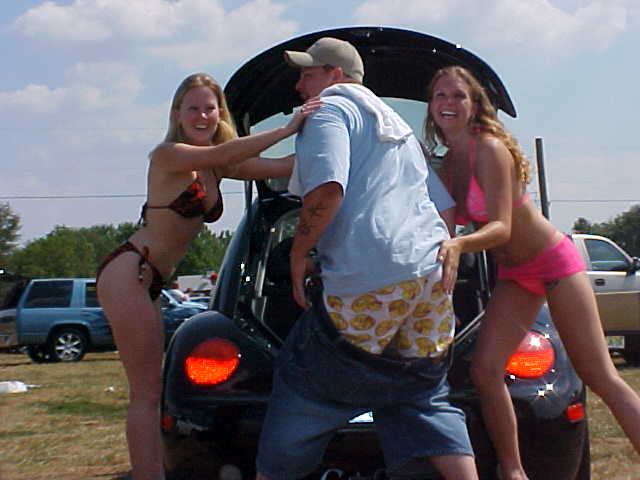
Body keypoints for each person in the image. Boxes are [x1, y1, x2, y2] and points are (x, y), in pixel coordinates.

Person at [255, 38, 478, 480]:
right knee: (424, 396)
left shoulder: (329, 109)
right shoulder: (395, 126)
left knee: (304, 382)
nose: (299, 85)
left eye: (307, 74)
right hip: (431, 277)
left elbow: (327, 188)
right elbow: (445, 209)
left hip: (371, 280)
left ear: (335, 76)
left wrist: (298, 253)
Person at [96, 72, 320, 480]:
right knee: (146, 393)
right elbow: (229, 151)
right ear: (177, 114)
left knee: (151, 391)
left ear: (220, 114)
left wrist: (330, 146)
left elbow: (282, 166)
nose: (202, 116)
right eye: (193, 108)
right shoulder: (169, 155)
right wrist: (287, 127)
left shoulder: (218, 167)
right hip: (130, 271)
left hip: (151, 279)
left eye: (210, 108)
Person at [424, 65, 640, 480]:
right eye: (440, 96)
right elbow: (441, 224)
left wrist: (459, 245)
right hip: (516, 274)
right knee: (485, 371)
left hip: (555, 263)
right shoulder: (449, 162)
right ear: (431, 106)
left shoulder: (489, 149)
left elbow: (501, 227)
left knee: (600, 376)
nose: (448, 103)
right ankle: (513, 470)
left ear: (474, 104)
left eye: (458, 96)